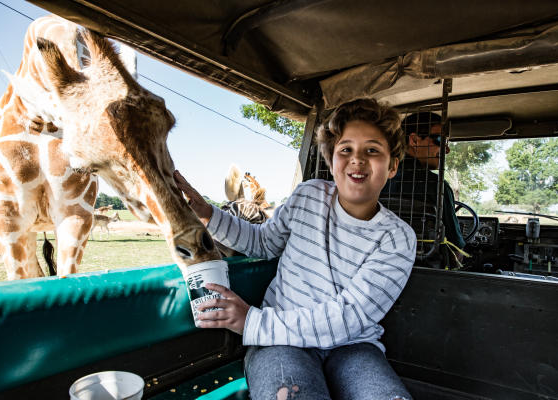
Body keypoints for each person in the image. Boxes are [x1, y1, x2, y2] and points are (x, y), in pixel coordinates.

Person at [174, 98, 416, 400]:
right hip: (279, 339)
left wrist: (251, 320)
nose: (357, 160)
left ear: (392, 165)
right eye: (346, 150)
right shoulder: (308, 195)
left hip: (352, 346)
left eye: (372, 150)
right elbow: (263, 242)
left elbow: (348, 316)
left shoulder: (397, 238)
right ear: (331, 160)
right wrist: (206, 212)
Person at [380, 112, 466, 258]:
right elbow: (455, 250)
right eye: (440, 140)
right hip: (427, 271)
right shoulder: (437, 187)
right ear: (414, 140)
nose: (447, 150)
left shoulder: (375, 180)